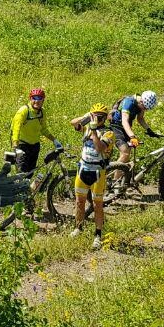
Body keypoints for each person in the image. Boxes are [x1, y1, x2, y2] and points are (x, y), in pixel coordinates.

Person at [70, 104, 115, 250]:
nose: (97, 118)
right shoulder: (87, 127)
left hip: (97, 172)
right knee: (79, 202)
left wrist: (94, 130)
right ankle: (78, 227)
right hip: (83, 169)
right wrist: (87, 116)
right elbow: (73, 122)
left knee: (97, 205)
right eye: (95, 116)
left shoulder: (109, 133)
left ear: (104, 118)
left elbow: (99, 148)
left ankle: (98, 234)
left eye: (100, 116)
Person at [11, 88, 61, 174]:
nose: (36, 101)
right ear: (30, 99)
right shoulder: (24, 111)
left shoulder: (42, 112)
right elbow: (16, 129)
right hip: (22, 145)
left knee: (30, 173)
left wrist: (54, 140)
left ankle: (29, 187)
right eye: (34, 98)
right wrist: (15, 146)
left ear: (43, 100)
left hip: (35, 146)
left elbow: (43, 129)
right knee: (21, 173)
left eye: (39, 98)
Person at [110, 90, 159, 166]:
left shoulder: (141, 104)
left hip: (126, 127)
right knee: (125, 152)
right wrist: (132, 136)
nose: (145, 110)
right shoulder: (128, 102)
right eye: (145, 108)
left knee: (127, 153)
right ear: (141, 102)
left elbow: (140, 119)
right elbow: (124, 121)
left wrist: (149, 130)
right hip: (116, 126)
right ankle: (114, 176)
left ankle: (122, 174)